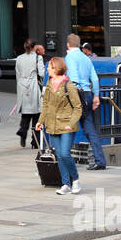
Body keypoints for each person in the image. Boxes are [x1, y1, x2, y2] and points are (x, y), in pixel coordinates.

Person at [35, 56, 84, 196]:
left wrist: (71, 123)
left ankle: (75, 179)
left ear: (56, 68)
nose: (47, 69)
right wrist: (41, 121)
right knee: (59, 156)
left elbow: (78, 107)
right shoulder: (49, 83)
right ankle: (65, 184)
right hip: (52, 125)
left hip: (66, 124)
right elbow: (45, 104)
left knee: (64, 153)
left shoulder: (68, 85)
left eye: (49, 67)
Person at [64, 33, 107, 171]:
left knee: (69, 127)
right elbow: (94, 78)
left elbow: (74, 79)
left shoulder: (70, 57)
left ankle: (65, 157)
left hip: (76, 94)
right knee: (89, 129)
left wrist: (72, 96)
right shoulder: (85, 57)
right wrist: (96, 96)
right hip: (88, 94)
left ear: (68, 44)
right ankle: (100, 160)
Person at [14, 39, 45, 148]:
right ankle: (35, 141)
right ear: (34, 47)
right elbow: (41, 73)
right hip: (33, 86)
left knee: (25, 113)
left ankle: (23, 131)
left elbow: (17, 74)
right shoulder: (38, 58)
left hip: (22, 85)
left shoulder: (19, 58)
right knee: (36, 114)